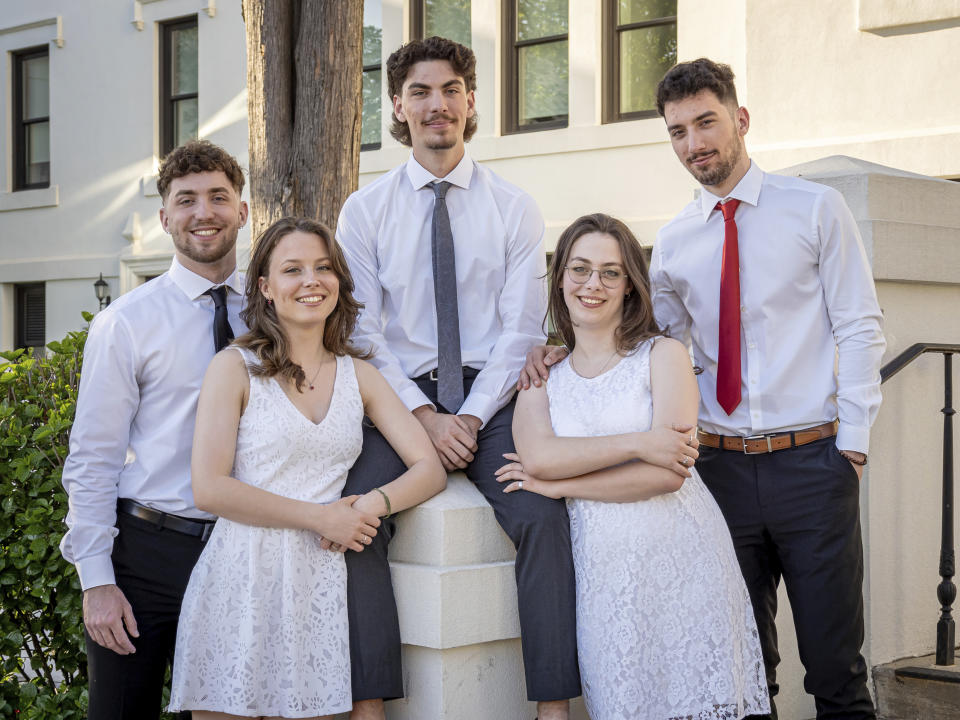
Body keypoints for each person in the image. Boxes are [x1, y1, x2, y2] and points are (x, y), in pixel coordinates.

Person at [524, 59, 885, 719]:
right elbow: (648, 343)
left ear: (739, 119)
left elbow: (860, 327)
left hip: (812, 462)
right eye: (678, 131)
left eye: (706, 122)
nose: (694, 143)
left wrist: (853, 446)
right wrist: (558, 350)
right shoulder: (677, 241)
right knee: (746, 664)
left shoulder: (815, 210)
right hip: (716, 470)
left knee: (836, 669)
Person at [335, 36, 580, 720]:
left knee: (540, 514)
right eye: (420, 92)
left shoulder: (513, 206)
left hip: (492, 398)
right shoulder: (364, 212)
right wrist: (421, 416)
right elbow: (364, 335)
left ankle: (553, 705)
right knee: (359, 513)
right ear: (398, 106)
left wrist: (469, 417)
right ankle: (369, 703)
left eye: (450, 90)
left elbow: (522, 331)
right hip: (400, 399)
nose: (436, 105)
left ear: (471, 102)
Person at [167, 217, 445, 719]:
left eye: (323, 267)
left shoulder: (360, 375)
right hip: (243, 578)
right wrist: (320, 517)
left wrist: (367, 507)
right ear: (266, 289)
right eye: (292, 270)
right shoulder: (233, 367)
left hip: (320, 586)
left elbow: (429, 467)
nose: (311, 280)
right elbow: (209, 488)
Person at [497, 213, 769, 720]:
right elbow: (539, 458)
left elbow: (667, 474)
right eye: (579, 269)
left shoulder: (663, 355)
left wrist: (561, 486)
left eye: (610, 272)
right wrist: (641, 441)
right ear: (559, 279)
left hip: (682, 562)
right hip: (604, 577)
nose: (592, 284)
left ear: (630, 286)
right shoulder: (540, 376)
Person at [59, 140, 257, 719]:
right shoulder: (126, 322)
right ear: (165, 216)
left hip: (244, 549)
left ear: (242, 211)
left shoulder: (273, 313)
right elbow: (93, 456)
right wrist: (96, 581)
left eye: (219, 197)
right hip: (147, 551)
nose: (204, 213)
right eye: (186, 200)